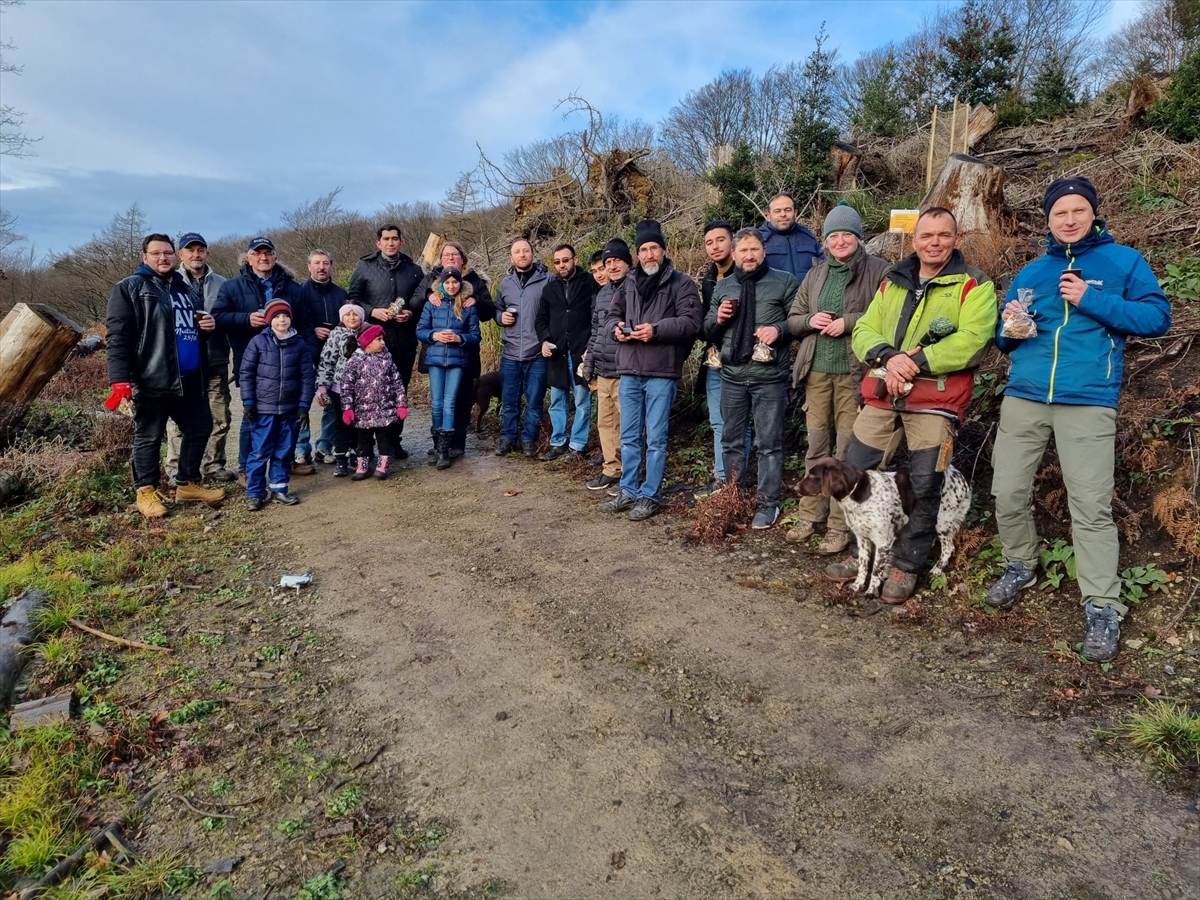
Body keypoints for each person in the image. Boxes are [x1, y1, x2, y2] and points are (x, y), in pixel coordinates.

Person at [988, 176, 1171, 662]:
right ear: (1047, 220)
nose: (1068, 220)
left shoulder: (1122, 262)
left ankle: (1102, 606)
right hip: (1025, 394)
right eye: (1058, 213)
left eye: (1077, 211)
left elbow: (1157, 318)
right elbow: (1005, 339)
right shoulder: (1031, 271)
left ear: (1093, 213)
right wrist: (1008, 328)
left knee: (1090, 505)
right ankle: (1020, 564)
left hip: (1088, 399)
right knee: (1006, 490)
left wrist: (1091, 299)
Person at [824, 207, 997, 601]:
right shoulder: (894, 281)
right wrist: (888, 357)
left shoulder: (974, 285)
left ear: (955, 238)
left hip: (936, 401)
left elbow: (974, 339)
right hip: (884, 397)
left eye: (943, 235)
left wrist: (913, 362)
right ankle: (861, 554)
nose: (934, 242)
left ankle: (907, 565)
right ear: (914, 239)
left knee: (925, 483)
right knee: (857, 472)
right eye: (926, 235)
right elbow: (865, 329)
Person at [786, 202, 892, 553]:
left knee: (846, 453)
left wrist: (848, 322)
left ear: (859, 238)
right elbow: (794, 317)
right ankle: (808, 514)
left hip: (855, 375)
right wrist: (809, 321)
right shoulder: (815, 274)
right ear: (826, 240)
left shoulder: (878, 270)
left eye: (847, 234)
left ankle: (838, 525)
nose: (841, 241)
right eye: (834, 235)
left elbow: (889, 316)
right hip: (816, 373)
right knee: (816, 447)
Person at [105, 233, 225, 518]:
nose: (163, 258)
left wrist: (206, 328)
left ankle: (187, 484)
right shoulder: (130, 288)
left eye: (168, 253)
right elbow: (118, 338)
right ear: (144, 257)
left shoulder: (184, 288)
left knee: (200, 427)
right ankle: (146, 492)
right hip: (152, 377)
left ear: (175, 256)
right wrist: (120, 379)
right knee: (149, 436)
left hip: (189, 378)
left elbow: (185, 332)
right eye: (156, 253)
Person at [602, 220, 702, 521]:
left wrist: (655, 330)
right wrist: (616, 330)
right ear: (638, 253)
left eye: (653, 248)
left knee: (656, 438)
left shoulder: (681, 283)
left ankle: (650, 495)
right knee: (630, 436)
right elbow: (611, 316)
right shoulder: (629, 282)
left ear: (663, 250)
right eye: (643, 250)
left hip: (661, 372)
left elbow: (691, 323)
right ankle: (629, 490)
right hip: (629, 370)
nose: (649, 255)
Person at [703, 228, 797, 529]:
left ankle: (768, 503)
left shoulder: (784, 282)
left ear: (764, 251)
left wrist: (778, 330)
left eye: (754, 249)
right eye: (743, 251)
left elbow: (799, 321)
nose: (749, 255)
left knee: (768, 443)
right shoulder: (724, 286)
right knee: (731, 440)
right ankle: (734, 496)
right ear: (734, 254)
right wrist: (718, 319)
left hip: (769, 376)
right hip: (731, 375)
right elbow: (707, 329)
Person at [212, 236, 303, 482]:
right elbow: (217, 318)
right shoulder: (232, 287)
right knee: (253, 414)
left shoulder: (293, 287)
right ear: (248, 257)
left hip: (288, 362)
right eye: (257, 253)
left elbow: (304, 323)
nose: (263, 257)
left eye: (268, 253)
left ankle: (286, 461)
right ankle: (246, 466)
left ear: (275, 257)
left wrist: (309, 356)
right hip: (252, 363)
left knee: (288, 414)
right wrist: (245, 319)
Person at [347, 224, 424, 458]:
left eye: (395, 239)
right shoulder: (364, 266)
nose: (391, 243)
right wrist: (372, 312)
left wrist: (410, 312)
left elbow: (422, 300)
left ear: (401, 242)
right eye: (386, 239)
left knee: (397, 391)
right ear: (378, 243)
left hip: (403, 341)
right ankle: (365, 445)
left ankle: (392, 443)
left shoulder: (414, 270)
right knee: (367, 393)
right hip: (370, 344)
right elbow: (352, 299)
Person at [415, 241, 496, 459]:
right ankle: (439, 444)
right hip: (436, 352)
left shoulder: (474, 280)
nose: (450, 258)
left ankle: (457, 443)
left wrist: (475, 300)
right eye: (446, 255)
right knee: (439, 400)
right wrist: (427, 296)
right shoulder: (430, 279)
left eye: (455, 254)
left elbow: (489, 311)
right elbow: (415, 305)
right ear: (440, 260)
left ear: (463, 258)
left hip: (464, 353)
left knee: (460, 399)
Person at [166, 232, 230, 484]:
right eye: (190, 250)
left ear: (207, 253)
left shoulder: (223, 283)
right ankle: (176, 470)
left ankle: (214, 465)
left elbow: (229, 317)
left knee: (220, 415)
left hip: (215, 358)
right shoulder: (168, 282)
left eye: (200, 250)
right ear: (180, 254)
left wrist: (218, 323)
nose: (196, 254)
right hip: (183, 363)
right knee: (179, 420)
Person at [239, 298, 315, 510]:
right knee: (260, 452)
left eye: (286, 316)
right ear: (269, 320)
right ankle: (255, 493)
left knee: (284, 451)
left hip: (289, 409)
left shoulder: (299, 344)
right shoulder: (258, 342)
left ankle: (279, 489)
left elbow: (307, 376)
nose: (282, 320)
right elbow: (246, 373)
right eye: (277, 316)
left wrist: (303, 405)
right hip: (264, 409)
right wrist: (248, 402)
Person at [536, 243, 599, 462]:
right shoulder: (550, 288)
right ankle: (558, 442)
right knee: (557, 401)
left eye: (565, 260)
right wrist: (544, 340)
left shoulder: (590, 283)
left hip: (581, 352)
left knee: (582, 401)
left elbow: (596, 317)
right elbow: (541, 318)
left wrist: (592, 345)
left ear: (575, 259)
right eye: (557, 262)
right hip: (557, 353)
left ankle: (578, 446)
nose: (562, 265)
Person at [417, 267, 482, 470]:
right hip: (435, 360)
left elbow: (475, 335)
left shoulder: (468, 306)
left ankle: (445, 450)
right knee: (436, 403)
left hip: (457, 361)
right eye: (447, 283)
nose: (451, 286)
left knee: (449, 403)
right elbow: (420, 330)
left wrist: (459, 338)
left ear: (460, 284)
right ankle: (437, 447)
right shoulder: (432, 304)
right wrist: (434, 336)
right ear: (442, 284)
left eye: (455, 282)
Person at [494, 238, 551, 457]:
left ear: (532, 254)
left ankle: (529, 439)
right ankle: (508, 437)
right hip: (510, 352)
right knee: (509, 400)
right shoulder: (506, 283)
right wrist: (501, 317)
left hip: (536, 352)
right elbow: (497, 309)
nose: (522, 254)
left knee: (535, 400)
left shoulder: (547, 280)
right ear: (511, 257)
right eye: (517, 252)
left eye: (525, 251)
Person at [294, 248, 348, 470]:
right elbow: (291, 323)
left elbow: (349, 321)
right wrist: (312, 331)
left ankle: (325, 445)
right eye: (316, 263)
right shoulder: (298, 293)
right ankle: (300, 449)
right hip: (306, 353)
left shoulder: (341, 293)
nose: (321, 267)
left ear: (331, 266)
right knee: (302, 403)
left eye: (325, 263)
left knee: (333, 403)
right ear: (308, 266)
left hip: (335, 357)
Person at [582, 239, 628, 494]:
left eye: (615, 261)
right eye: (607, 262)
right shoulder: (602, 294)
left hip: (625, 369)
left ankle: (631, 473)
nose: (611, 267)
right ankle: (612, 469)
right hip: (603, 369)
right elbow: (596, 333)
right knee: (605, 423)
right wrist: (589, 362)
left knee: (628, 426)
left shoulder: (634, 288)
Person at [696, 220, 738, 497]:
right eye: (709, 242)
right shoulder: (709, 279)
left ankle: (737, 479)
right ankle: (722, 478)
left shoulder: (745, 273)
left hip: (740, 358)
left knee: (736, 421)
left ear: (732, 242)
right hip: (714, 357)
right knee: (717, 421)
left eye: (720, 240)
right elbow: (705, 322)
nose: (715, 246)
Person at [339, 324, 408, 481]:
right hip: (363, 411)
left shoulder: (387, 360)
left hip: (384, 410)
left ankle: (382, 465)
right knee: (363, 441)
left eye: (382, 339)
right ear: (367, 342)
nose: (383, 342)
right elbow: (346, 386)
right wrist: (348, 408)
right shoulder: (354, 362)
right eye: (378, 339)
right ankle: (362, 466)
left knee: (385, 439)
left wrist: (401, 404)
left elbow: (397, 383)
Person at [315, 304, 366, 477]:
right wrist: (323, 387)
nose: (352, 318)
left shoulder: (368, 332)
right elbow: (327, 362)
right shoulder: (336, 335)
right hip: (340, 389)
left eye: (355, 315)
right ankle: (341, 457)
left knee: (360, 423)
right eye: (348, 315)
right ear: (342, 318)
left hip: (363, 388)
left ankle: (358, 454)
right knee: (343, 422)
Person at [758, 192, 824, 284]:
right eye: (777, 211)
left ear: (795, 213)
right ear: (768, 216)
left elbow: (823, 269)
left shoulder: (808, 238)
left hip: (807, 297)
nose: (783, 214)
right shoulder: (758, 240)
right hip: (775, 297)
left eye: (788, 210)